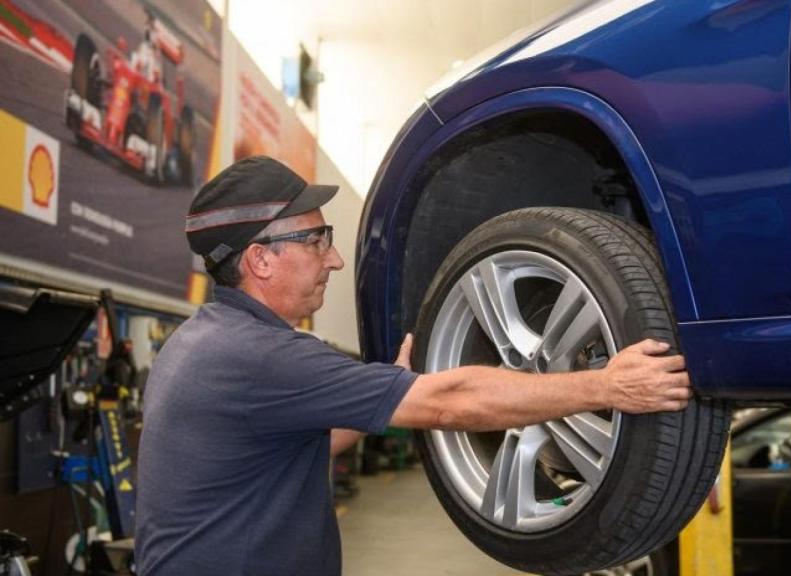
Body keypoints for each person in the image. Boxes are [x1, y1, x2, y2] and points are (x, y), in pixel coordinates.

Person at [135, 155, 692, 576]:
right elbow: (451, 403)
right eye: (316, 239)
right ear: (260, 258)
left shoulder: (203, 342)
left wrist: (385, 392)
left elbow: (296, 444)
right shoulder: (259, 355)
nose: (334, 258)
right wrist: (606, 386)